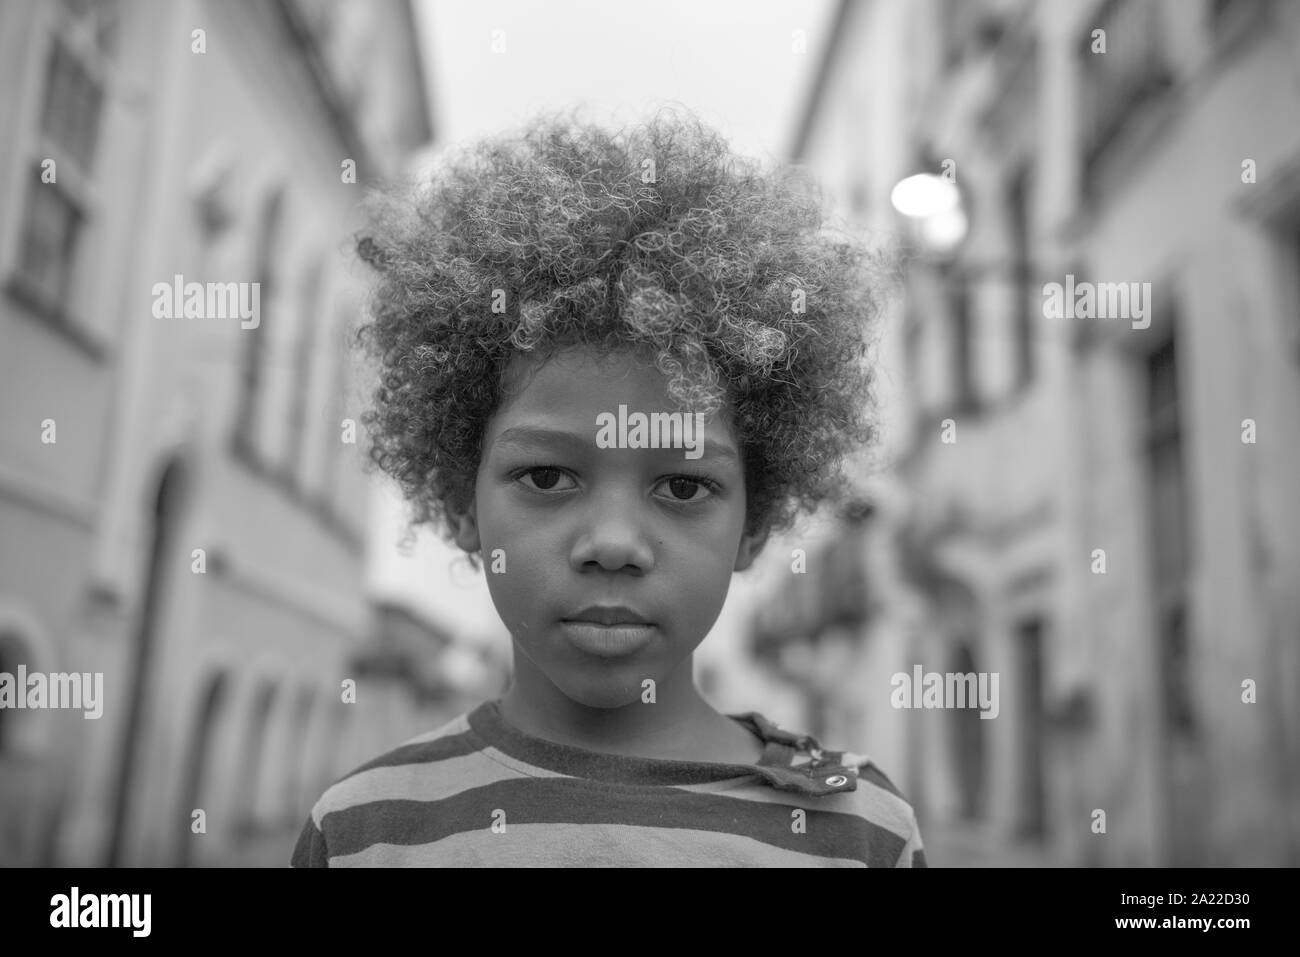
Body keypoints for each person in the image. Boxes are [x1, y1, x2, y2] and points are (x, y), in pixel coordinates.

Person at [291, 106, 925, 867]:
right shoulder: (365, 831)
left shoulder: (860, 830)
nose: (614, 543)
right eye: (548, 476)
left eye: (684, 486)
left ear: (754, 523)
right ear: (464, 503)